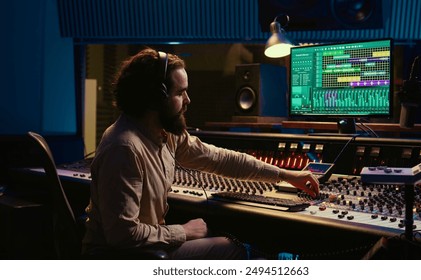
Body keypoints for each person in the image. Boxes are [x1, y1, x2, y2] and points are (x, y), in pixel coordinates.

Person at [81, 48, 320, 259]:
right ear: (156, 97)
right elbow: (123, 236)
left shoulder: (165, 133)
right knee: (231, 248)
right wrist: (184, 231)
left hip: (143, 249)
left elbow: (220, 159)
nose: (188, 100)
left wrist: (285, 174)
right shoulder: (125, 148)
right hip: (121, 259)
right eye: (180, 93)